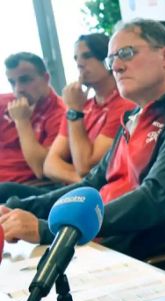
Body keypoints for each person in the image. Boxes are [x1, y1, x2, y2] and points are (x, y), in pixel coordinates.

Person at [0, 19, 165, 279]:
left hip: (151, 263)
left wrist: (50, 230)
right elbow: (90, 185)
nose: (117, 66)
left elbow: (154, 199)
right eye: (112, 60)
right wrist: (21, 207)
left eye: (127, 53)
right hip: (106, 249)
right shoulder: (134, 118)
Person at [24, 34, 133, 197]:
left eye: (87, 56)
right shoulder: (84, 105)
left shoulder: (124, 104)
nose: (79, 64)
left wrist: (74, 110)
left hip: (94, 196)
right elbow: (50, 165)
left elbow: (85, 166)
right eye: (76, 58)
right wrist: (86, 181)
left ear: (107, 60)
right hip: (78, 187)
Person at [0, 52, 65, 186]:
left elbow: (41, 168)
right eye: (12, 82)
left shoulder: (60, 114)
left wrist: (22, 122)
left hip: (22, 187)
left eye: (25, 80)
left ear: (46, 78)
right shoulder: (4, 102)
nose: (18, 89)